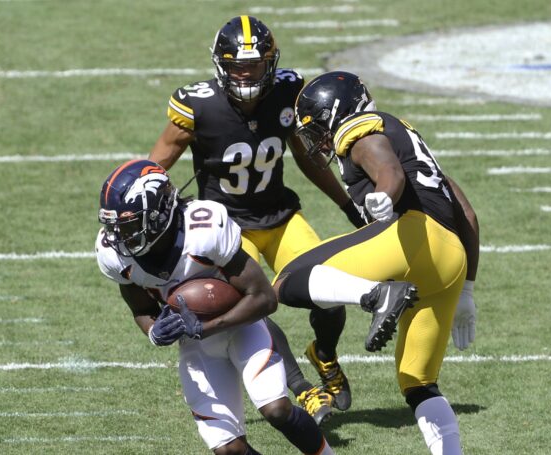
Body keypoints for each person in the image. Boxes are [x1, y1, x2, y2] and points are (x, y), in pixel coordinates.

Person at [148, 15, 365, 422]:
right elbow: (155, 170)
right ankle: (304, 391)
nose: (247, 75)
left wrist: (348, 205)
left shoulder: (287, 90)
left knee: (331, 292)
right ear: (221, 66)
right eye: (237, 67)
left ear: (271, 63)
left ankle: (325, 353)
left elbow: (309, 159)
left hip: (280, 216)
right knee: (256, 306)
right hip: (226, 228)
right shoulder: (197, 105)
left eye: (255, 65)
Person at [272, 71, 480, 455]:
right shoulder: (409, 137)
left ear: (338, 112)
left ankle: (375, 296)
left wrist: (385, 192)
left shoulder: (360, 128)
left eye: (317, 126)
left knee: (287, 281)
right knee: (417, 381)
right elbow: (465, 209)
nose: (316, 138)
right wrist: (467, 287)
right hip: (451, 262)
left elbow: (388, 170)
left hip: (414, 238)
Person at [94, 159, 335, 455]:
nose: (120, 236)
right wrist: (155, 331)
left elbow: (264, 298)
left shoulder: (204, 228)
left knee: (276, 409)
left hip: (241, 326)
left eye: (130, 224)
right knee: (227, 449)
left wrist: (205, 327)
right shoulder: (114, 255)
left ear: (159, 213)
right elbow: (141, 309)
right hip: (197, 347)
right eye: (116, 225)